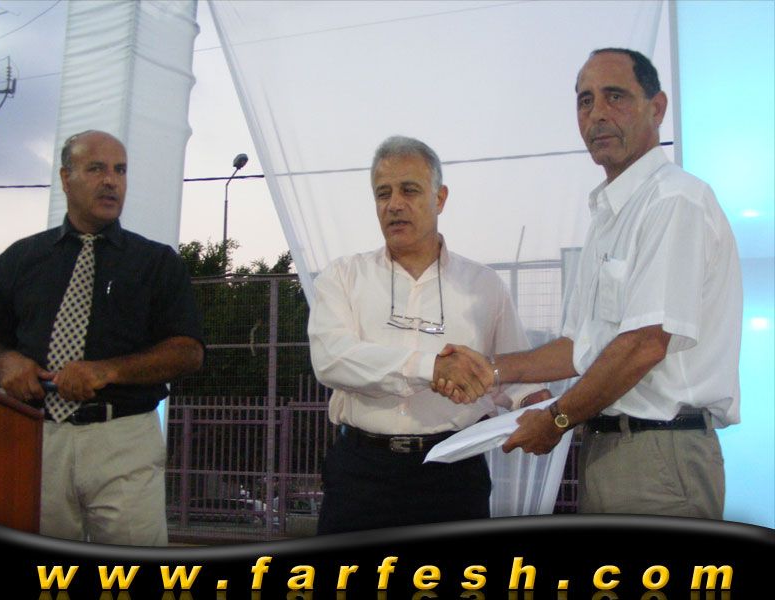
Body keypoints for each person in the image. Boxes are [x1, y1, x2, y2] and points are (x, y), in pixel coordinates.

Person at [436, 48, 742, 519]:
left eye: (615, 96)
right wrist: (491, 370)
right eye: (585, 101)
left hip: (660, 455)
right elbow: (579, 347)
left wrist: (557, 418)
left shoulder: (674, 201)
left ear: (657, 108)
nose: (597, 113)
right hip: (612, 449)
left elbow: (644, 343)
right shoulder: (609, 215)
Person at [307, 135, 550, 534]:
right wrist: (432, 368)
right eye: (383, 193)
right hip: (362, 475)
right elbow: (331, 359)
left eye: (409, 190)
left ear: (440, 198)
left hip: (453, 476)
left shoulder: (484, 285)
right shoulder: (344, 277)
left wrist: (535, 402)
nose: (394, 204)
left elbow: (513, 375)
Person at [0, 130, 205, 544]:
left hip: (123, 440)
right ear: (66, 178)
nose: (111, 181)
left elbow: (188, 352)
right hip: (35, 437)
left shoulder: (156, 263)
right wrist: (5, 362)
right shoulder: (20, 260)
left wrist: (107, 371)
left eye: (120, 170)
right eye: (96, 168)